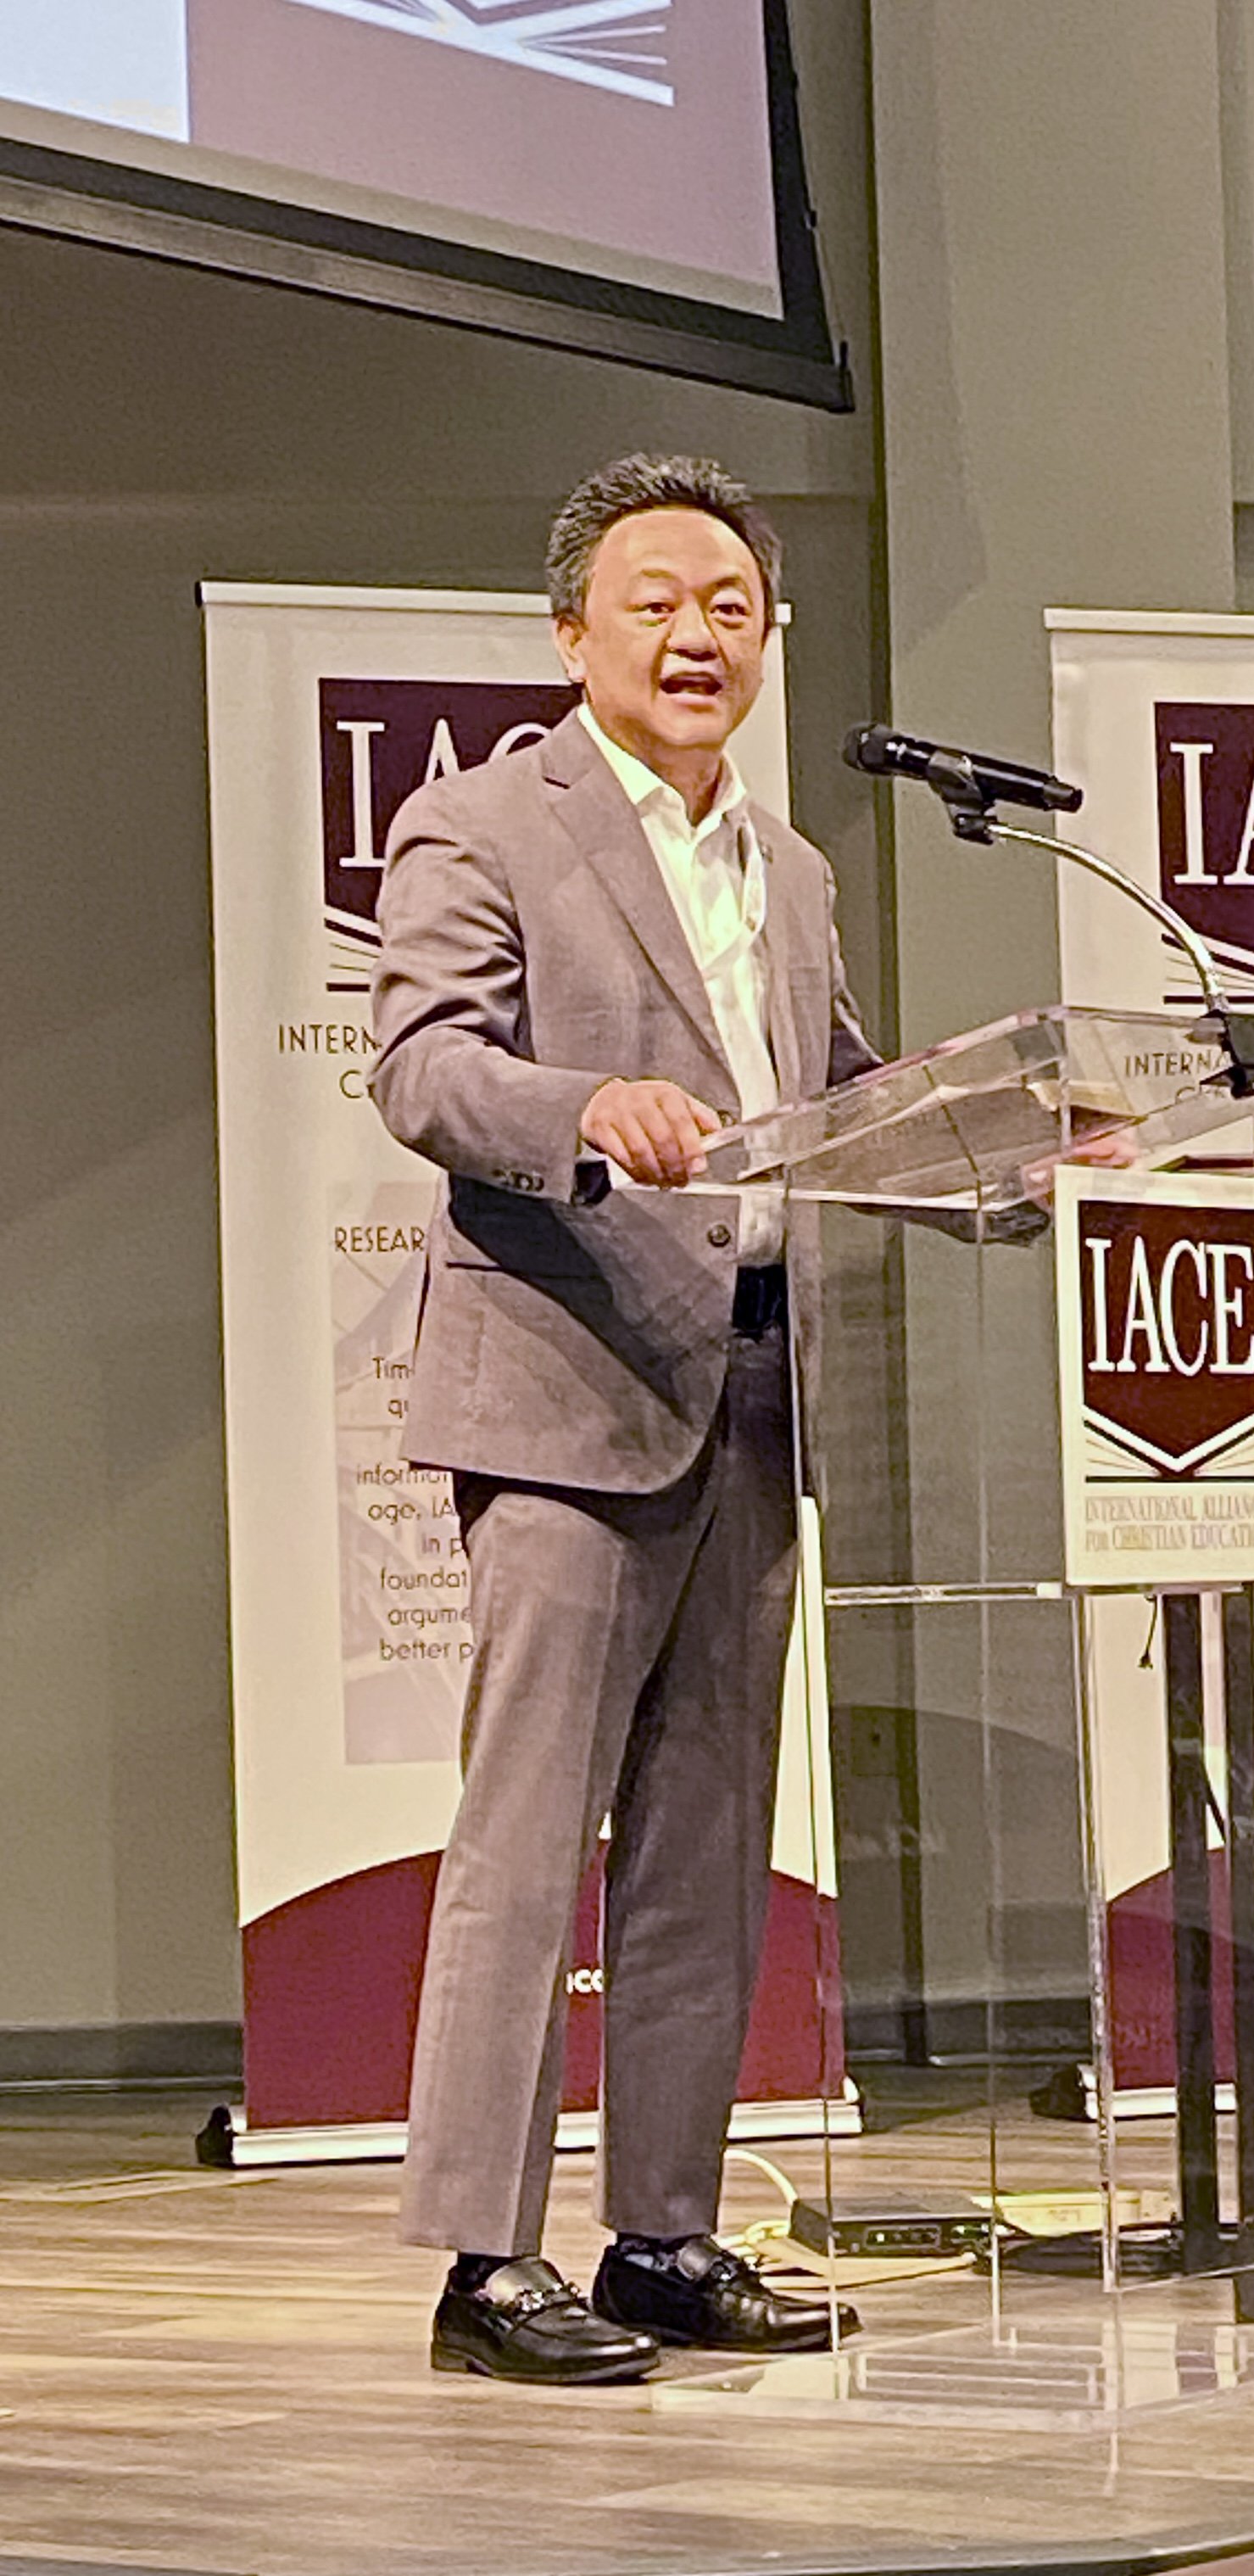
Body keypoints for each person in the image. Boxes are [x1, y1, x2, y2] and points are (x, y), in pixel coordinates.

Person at [369, 453, 878, 2384]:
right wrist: (578, 1107)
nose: (697, 635)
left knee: (705, 1842)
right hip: (569, 1382)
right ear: (572, 630)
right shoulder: (486, 816)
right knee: (528, 1840)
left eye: (732, 607)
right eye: (657, 601)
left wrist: (1015, 1135)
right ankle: (483, 2263)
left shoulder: (796, 864)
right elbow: (422, 1067)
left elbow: (836, 1094)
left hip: (754, 1387)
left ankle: (665, 2233)